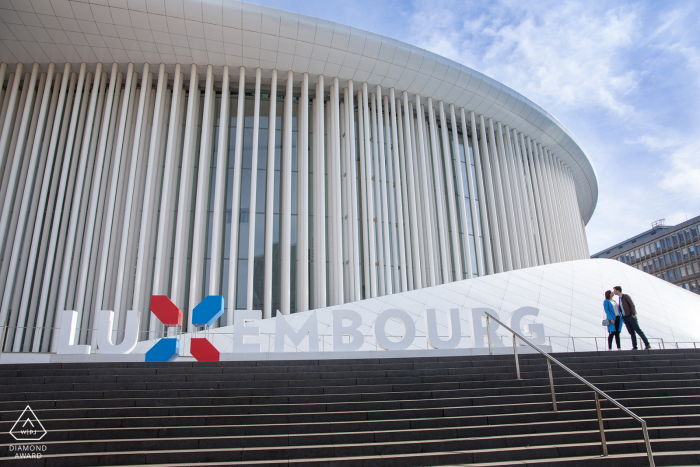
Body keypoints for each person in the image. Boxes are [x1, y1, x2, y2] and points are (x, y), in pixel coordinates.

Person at [613, 286, 651, 350]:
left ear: (618, 291)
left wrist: (633, 314)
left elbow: (631, 304)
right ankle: (635, 347)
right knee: (631, 333)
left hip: (630, 317)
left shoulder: (625, 296)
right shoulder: (619, 299)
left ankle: (647, 344)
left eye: (614, 290)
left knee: (638, 331)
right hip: (625, 318)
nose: (613, 292)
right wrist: (623, 319)